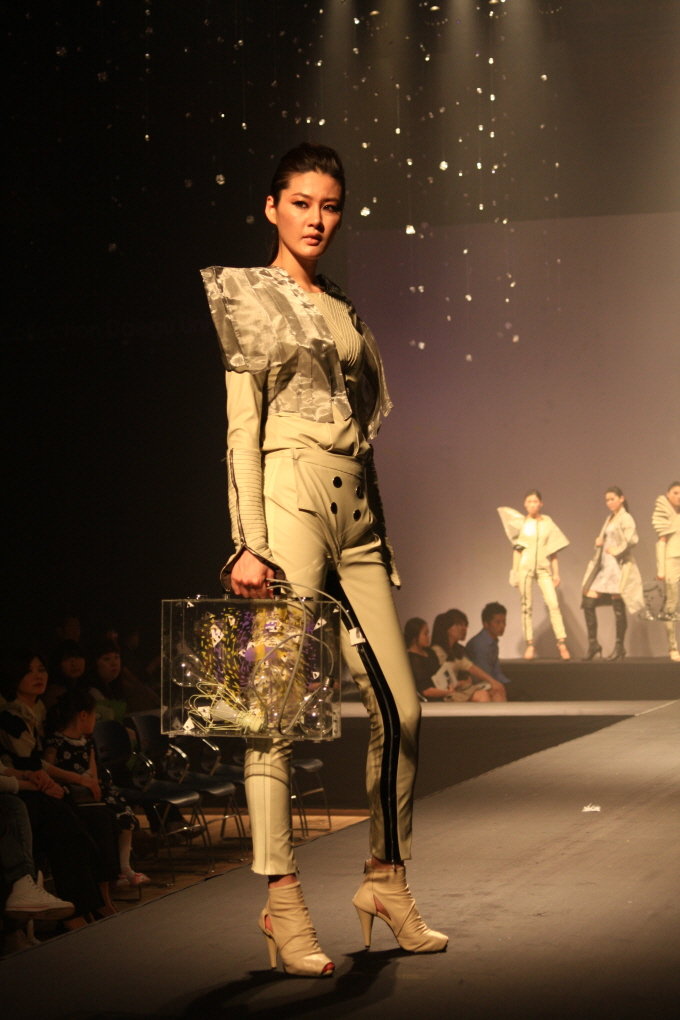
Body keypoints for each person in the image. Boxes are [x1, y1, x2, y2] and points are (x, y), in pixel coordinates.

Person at [200, 142, 446, 977]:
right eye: (301, 202)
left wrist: (377, 527)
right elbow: (243, 427)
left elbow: (361, 426)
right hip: (289, 499)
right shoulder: (247, 294)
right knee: (273, 707)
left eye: (330, 205)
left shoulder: (339, 303)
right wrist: (248, 539)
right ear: (272, 207)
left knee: (402, 708)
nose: (316, 218)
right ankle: (281, 901)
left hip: (357, 513)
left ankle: (385, 879)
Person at [0, 649, 106, 927]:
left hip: (27, 787)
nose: (38, 676)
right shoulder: (10, 716)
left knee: (84, 821)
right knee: (65, 822)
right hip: (17, 794)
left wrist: (51, 781)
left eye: (42, 670)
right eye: (29, 671)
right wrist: (48, 782)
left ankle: (89, 907)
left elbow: (35, 766)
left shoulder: (34, 711)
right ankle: (78, 913)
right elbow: (29, 764)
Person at [43, 689, 150, 890]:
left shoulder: (87, 741)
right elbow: (47, 767)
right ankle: (109, 873)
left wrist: (93, 782)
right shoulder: (56, 740)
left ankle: (124, 867)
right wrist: (81, 781)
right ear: (84, 715)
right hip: (70, 790)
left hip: (90, 788)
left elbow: (92, 769)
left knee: (123, 813)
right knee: (103, 818)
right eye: (94, 715)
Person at [497, 492, 571, 660]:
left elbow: (553, 550)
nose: (532, 504)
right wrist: (514, 572)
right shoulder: (521, 524)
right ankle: (529, 644)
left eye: (535, 501)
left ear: (541, 503)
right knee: (526, 606)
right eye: (529, 501)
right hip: (525, 568)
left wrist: (556, 573)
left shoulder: (548, 523)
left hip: (544, 568)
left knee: (553, 604)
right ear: (525, 504)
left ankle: (561, 643)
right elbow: (517, 550)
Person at [582, 487, 644, 661]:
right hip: (604, 566)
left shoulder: (626, 517)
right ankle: (593, 644)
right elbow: (607, 538)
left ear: (621, 498)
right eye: (607, 500)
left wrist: (617, 551)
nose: (609, 502)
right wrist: (599, 541)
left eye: (612, 499)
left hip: (617, 566)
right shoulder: (610, 517)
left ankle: (619, 647)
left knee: (618, 607)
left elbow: (632, 539)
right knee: (588, 601)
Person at [427, 610, 507, 702]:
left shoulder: (456, 650)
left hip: (461, 688)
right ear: (447, 628)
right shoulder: (437, 651)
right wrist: (463, 683)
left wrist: (493, 682)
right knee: (482, 695)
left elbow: (470, 667)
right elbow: (442, 682)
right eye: (459, 625)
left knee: (497, 692)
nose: (463, 628)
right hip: (448, 692)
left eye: (465, 625)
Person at [652, 481, 680, 662]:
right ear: (668, 494)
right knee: (671, 604)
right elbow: (661, 542)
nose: (678, 496)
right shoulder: (664, 512)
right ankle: (673, 647)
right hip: (672, 561)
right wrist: (661, 569)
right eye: (675, 493)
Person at [465, 603, 512, 687]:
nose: (502, 626)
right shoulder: (479, 644)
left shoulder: (493, 642)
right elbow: (484, 675)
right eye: (498, 622)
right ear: (486, 624)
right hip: (478, 685)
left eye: (504, 622)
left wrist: (508, 684)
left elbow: (497, 672)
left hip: (490, 682)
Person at [404, 617, 441, 696]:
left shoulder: (430, 652)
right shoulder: (412, 659)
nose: (428, 636)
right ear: (414, 637)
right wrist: (449, 692)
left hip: (442, 690)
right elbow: (425, 691)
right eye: (425, 633)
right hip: (430, 699)